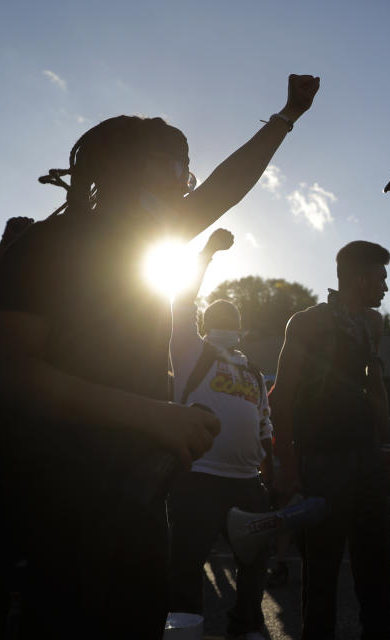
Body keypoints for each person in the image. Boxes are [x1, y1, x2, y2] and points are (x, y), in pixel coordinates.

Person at [0, 73, 319, 638]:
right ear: (125, 169)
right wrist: (155, 416)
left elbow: (227, 187)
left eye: (188, 168)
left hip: (129, 502)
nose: (186, 182)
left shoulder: (141, 248)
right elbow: (3, 371)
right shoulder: (47, 246)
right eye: (174, 165)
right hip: (49, 505)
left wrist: (286, 117)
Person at [268, 240, 390, 640]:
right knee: (321, 575)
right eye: (381, 277)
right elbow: (280, 397)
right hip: (321, 462)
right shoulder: (307, 322)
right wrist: (288, 468)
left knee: (376, 569)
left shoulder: (373, 324)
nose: (386, 287)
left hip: (367, 460)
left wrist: (386, 444)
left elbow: (376, 384)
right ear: (359, 278)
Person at [166, 229, 273, 640]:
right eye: (221, 315)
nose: (230, 320)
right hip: (198, 477)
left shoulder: (253, 371)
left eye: (235, 316)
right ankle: (184, 629)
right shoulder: (192, 351)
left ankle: (244, 626)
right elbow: (181, 300)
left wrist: (272, 472)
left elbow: (265, 423)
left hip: (249, 484)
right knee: (186, 563)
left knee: (255, 559)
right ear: (207, 323)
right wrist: (207, 253)